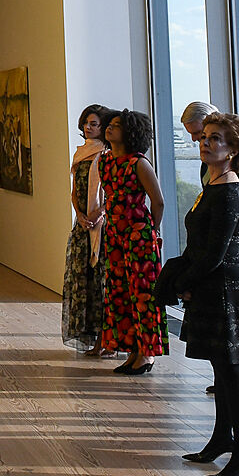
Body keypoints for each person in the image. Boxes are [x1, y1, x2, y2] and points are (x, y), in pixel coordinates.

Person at [164, 112, 239, 476]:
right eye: (205, 136)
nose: (206, 142)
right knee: (221, 370)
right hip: (213, 285)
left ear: (234, 149)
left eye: (216, 138)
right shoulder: (214, 184)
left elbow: (216, 253)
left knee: (233, 371)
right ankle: (222, 438)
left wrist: (183, 282)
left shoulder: (230, 192)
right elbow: (202, 246)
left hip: (225, 288)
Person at [93, 111, 167, 375]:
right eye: (109, 125)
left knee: (143, 295)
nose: (109, 129)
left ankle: (146, 354)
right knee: (120, 293)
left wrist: (152, 231)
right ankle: (133, 350)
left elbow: (157, 201)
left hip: (138, 236)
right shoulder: (105, 161)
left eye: (116, 126)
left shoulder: (139, 163)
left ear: (130, 132)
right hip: (114, 235)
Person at [63, 104, 113, 354]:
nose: (89, 128)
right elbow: (75, 191)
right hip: (83, 224)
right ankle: (95, 339)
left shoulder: (107, 153)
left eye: (95, 124)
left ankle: (107, 340)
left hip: (102, 225)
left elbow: (110, 192)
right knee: (84, 282)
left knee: (101, 283)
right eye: (86, 123)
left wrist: (99, 214)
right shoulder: (80, 153)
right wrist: (80, 214)